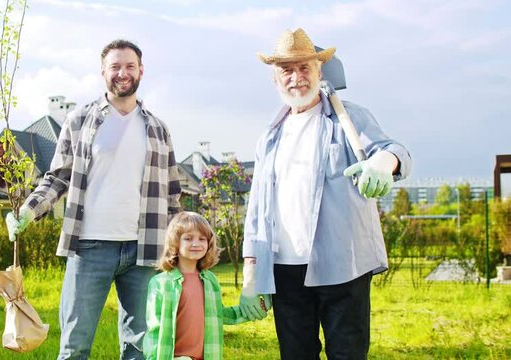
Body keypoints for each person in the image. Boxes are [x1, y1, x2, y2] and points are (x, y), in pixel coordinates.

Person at [238, 28, 412, 359]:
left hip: (343, 265)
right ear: (275, 79)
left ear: (319, 72)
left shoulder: (349, 118)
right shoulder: (270, 138)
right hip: (286, 271)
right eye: (286, 70)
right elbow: (257, 211)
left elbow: (395, 150)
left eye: (304, 68)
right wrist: (251, 273)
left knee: (347, 353)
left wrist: (383, 164)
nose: (296, 78)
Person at [6, 39, 182, 359]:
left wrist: (177, 250)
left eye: (129, 66)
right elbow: (58, 176)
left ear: (141, 71)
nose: (122, 73)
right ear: (103, 72)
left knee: (141, 348)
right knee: (75, 345)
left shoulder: (158, 128)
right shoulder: (79, 120)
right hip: (89, 248)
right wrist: (28, 211)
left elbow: (172, 195)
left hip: (145, 249)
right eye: (115, 66)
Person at [144, 211, 265, 360]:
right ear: (175, 242)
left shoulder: (210, 281)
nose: (196, 243)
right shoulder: (160, 283)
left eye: (202, 239)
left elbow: (219, 315)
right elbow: (154, 329)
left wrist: (252, 309)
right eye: (188, 238)